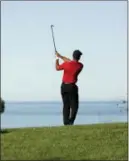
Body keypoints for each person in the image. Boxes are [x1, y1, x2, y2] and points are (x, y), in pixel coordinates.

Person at [55, 50, 83, 125]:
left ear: (72, 56)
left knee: (66, 105)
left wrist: (56, 59)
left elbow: (57, 68)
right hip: (72, 87)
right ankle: (70, 122)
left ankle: (66, 122)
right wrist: (60, 56)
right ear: (79, 57)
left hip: (63, 87)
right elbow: (70, 61)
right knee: (74, 106)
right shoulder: (80, 65)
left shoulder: (67, 64)